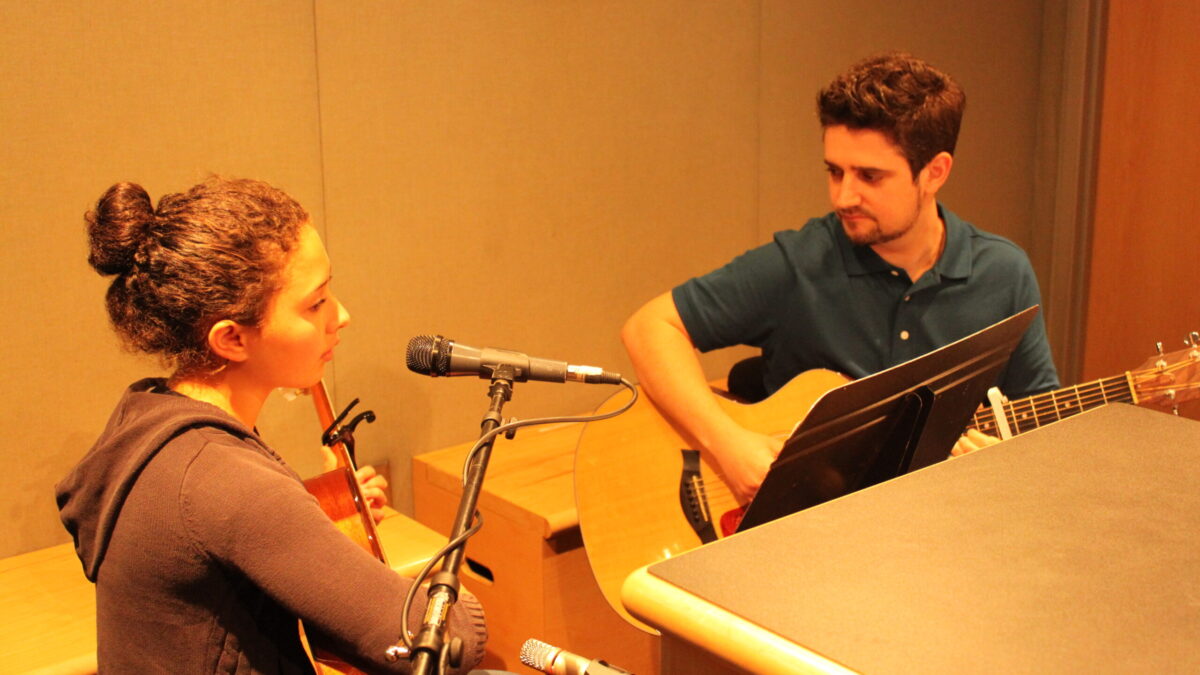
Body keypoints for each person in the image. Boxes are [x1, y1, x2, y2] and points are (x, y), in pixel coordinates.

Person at [55, 178, 487, 673]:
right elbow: (440, 643)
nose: (341, 316)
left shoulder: (148, 421)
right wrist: (470, 603)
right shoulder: (225, 481)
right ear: (232, 339)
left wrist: (312, 529)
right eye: (315, 303)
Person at [622, 52, 1059, 503]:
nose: (843, 196)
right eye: (835, 171)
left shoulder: (1003, 274)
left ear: (935, 172)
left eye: (870, 176)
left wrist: (1002, 458)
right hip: (808, 534)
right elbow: (650, 327)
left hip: (941, 529)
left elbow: (1044, 427)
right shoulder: (799, 264)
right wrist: (729, 445)